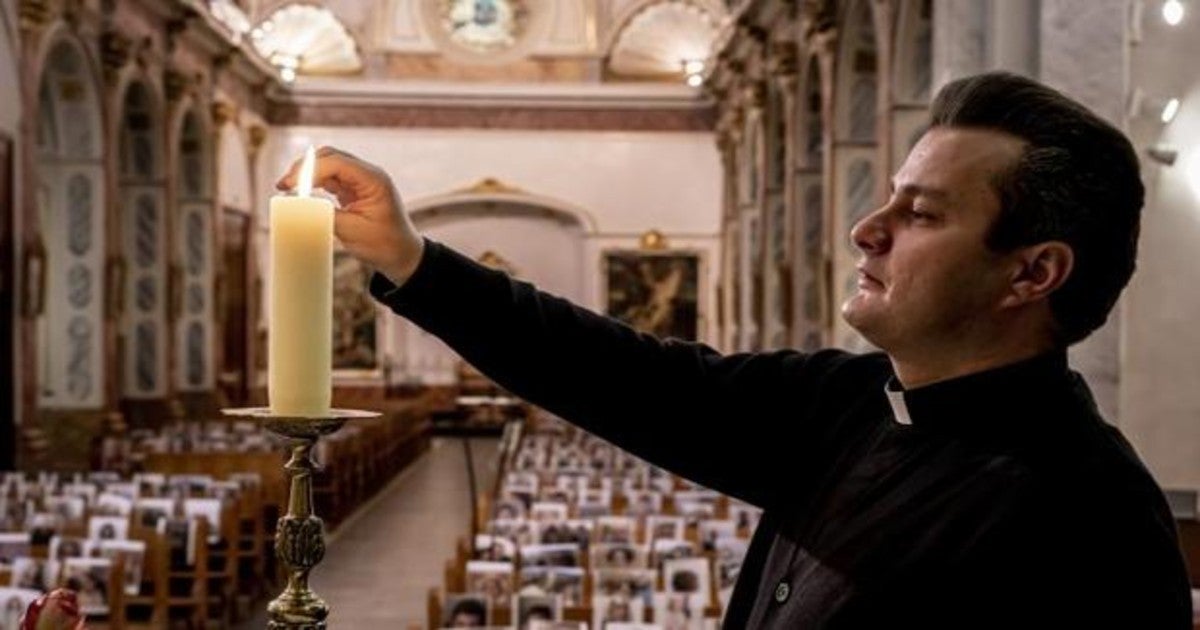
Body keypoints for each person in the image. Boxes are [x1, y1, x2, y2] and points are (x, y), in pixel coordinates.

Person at [277, 71, 1193, 628]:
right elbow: (623, 375)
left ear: (1032, 273)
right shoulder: (847, 401)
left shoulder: (1093, 520)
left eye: (920, 214)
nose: (865, 228)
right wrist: (408, 255)